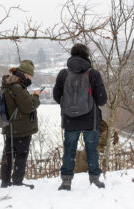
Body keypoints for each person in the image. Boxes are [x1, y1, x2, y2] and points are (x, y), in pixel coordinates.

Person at [53, 43, 108, 191]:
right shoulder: (93, 74)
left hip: (70, 121)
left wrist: (70, 107)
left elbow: (57, 96)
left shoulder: (63, 74)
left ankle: (66, 182)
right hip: (91, 120)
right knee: (92, 150)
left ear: (72, 55)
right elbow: (102, 99)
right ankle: (95, 180)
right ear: (86, 56)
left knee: (69, 150)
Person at [0, 60, 41, 188]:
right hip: (20, 128)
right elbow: (29, 106)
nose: (31, 78)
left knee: (8, 154)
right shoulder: (17, 87)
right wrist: (36, 96)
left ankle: (5, 181)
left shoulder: (8, 84)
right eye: (30, 76)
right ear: (25, 74)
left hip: (10, 126)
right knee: (21, 156)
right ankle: (17, 182)